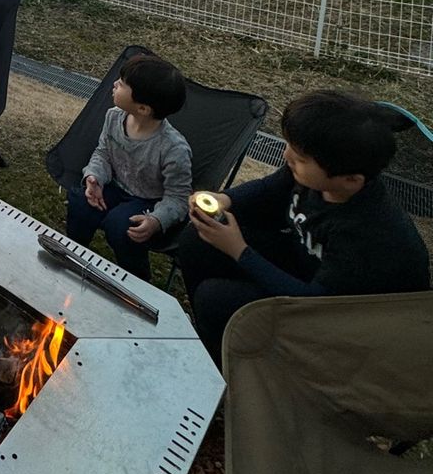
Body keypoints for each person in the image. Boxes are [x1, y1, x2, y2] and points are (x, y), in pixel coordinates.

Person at [177, 91, 430, 365]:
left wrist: (240, 251)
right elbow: (270, 189)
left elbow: (316, 302)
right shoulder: (318, 176)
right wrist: (225, 200)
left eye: (299, 159)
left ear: (350, 180)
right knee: (197, 239)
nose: (287, 157)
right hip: (306, 264)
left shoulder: (368, 236)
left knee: (215, 298)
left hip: (345, 319)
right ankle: (208, 335)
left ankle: (230, 370)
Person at [64, 53, 191, 280]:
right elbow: (102, 153)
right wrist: (94, 177)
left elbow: (179, 198)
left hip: (148, 201)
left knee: (121, 226)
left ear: (143, 108)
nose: (114, 85)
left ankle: (137, 280)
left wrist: (156, 220)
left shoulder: (174, 149)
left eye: (121, 84)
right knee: (81, 202)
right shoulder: (113, 117)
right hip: (114, 187)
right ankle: (72, 254)